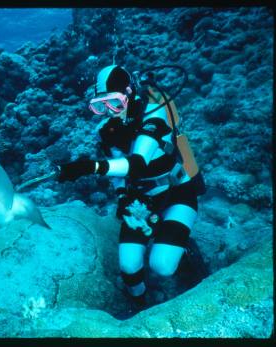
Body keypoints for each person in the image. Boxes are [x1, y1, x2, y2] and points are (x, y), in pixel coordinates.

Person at [56, 65, 200, 309]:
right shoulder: (107, 130)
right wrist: (123, 197)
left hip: (179, 193)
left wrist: (89, 167)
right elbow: (119, 175)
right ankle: (140, 307)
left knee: (162, 265)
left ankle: (187, 252)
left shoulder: (155, 116)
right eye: (100, 106)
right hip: (142, 198)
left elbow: (137, 164)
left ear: (129, 92)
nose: (109, 112)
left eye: (114, 103)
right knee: (129, 266)